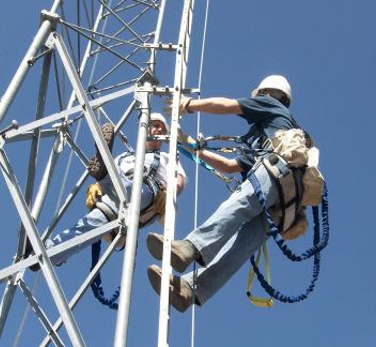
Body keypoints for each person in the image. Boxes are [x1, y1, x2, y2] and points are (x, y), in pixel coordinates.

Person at [146, 75, 307, 312]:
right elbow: (230, 166)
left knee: (238, 205)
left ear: (268, 93)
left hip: (275, 175)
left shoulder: (271, 105)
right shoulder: (272, 133)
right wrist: (191, 145)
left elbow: (229, 105)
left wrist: (189, 105)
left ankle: (188, 248)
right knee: (238, 249)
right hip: (284, 206)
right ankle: (191, 288)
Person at [40, 113, 187, 268]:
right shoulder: (126, 156)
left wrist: (170, 192)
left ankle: (105, 168)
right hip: (112, 199)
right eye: (155, 125)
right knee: (84, 228)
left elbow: (180, 180)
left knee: (132, 186)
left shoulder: (166, 157)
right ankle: (50, 252)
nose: (158, 130)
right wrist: (97, 187)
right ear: (146, 127)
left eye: (162, 129)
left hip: (144, 196)